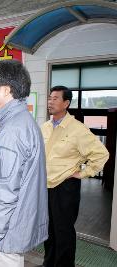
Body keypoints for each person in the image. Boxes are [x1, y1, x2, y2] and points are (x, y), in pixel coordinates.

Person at [0, 59, 48, 267]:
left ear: (5, 90)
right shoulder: (23, 121)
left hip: (5, 236)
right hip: (14, 228)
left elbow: (6, 191)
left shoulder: (13, 131)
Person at [41, 86, 109, 267]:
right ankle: (49, 263)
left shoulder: (78, 129)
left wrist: (84, 173)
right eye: (50, 98)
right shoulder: (45, 127)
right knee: (48, 229)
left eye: (55, 98)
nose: (51, 101)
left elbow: (101, 154)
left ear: (66, 103)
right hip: (45, 186)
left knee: (63, 231)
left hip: (65, 186)